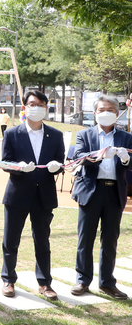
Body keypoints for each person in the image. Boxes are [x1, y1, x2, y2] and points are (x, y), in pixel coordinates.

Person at [0, 91, 65, 300]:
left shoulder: (55, 135)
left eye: (40, 104)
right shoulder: (11, 134)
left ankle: (45, 283)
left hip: (43, 195)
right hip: (17, 194)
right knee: (11, 240)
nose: (35, 107)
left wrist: (57, 167)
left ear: (46, 108)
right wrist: (17, 167)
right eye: (31, 104)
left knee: (43, 241)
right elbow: (5, 163)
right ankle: (8, 279)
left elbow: (60, 163)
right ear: (24, 108)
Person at [70, 94, 132, 300]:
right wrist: (99, 155)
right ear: (94, 113)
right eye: (101, 110)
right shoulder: (84, 135)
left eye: (110, 110)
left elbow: (131, 165)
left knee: (110, 239)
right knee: (85, 237)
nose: (105, 113)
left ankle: (107, 282)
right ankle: (82, 280)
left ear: (117, 113)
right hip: (90, 190)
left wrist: (125, 159)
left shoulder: (126, 137)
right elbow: (79, 157)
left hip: (115, 191)